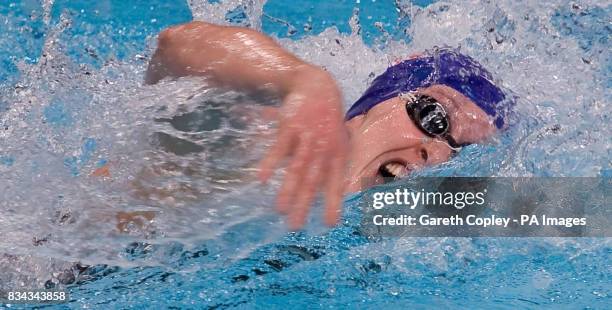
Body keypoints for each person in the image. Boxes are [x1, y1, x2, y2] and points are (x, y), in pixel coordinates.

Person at [143, 21, 512, 230]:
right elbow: (176, 47)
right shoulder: (256, 147)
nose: (436, 154)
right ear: (375, 103)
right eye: (434, 117)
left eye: (462, 152)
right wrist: (300, 79)